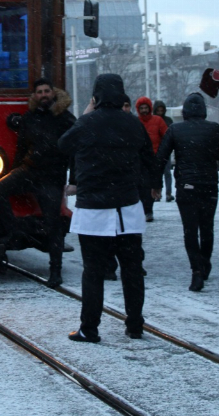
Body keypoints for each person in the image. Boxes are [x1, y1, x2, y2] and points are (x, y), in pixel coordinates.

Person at [60, 74, 161, 343]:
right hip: (127, 208)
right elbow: (149, 160)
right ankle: (135, 324)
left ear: (96, 96)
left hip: (93, 208)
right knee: (132, 268)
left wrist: (86, 115)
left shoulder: (87, 123)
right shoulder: (133, 124)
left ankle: (89, 328)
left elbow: (62, 146)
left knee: (93, 270)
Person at [0, 78, 76, 288]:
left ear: (53, 94)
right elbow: (21, 147)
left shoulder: (65, 119)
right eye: (40, 92)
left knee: (53, 224)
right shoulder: (29, 118)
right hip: (29, 171)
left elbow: (76, 152)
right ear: (35, 96)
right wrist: (13, 172)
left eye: (47, 91)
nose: (44, 95)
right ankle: (13, 231)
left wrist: (74, 179)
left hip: (52, 177)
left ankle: (55, 271)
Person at [155, 93, 219, 292]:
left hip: (186, 186)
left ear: (185, 111)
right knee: (207, 227)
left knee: (190, 230)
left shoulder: (175, 129)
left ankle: (196, 270)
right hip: (209, 185)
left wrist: (155, 184)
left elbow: (161, 157)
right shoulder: (213, 129)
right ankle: (205, 262)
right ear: (203, 110)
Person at [135, 97, 168, 222]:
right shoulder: (136, 121)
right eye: (141, 108)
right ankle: (143, 209)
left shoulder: (158, 121)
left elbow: (166, 137)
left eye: (146, 108)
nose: (144, 111)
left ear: (150, 108)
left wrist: (161, 153)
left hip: (154, 157)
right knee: (140, 186)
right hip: (139, 159)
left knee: (150, 185)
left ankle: (148, 209)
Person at [153, 101, 175, 202]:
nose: (160, 112)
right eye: (158, 110)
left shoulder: (167, 120)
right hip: (158, 149)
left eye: (161, 110)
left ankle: (167, 193)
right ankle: (158, 193)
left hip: (165, 149)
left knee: (166, 172)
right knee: (159, 173)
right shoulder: (157, 120)